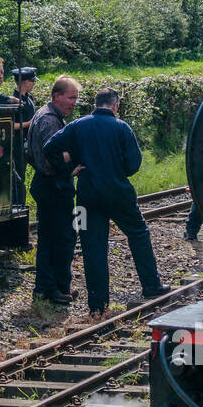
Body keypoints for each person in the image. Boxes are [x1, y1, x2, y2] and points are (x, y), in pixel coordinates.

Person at [44, 87, 166, 317]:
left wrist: (70, 167)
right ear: (115, 106)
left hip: (87, 194)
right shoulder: (121, 127)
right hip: (118, 192)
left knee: (93, 248)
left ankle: (97, 305)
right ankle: (151, 285)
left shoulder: (78, 125)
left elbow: (49, 147)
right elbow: (133, 164)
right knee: (138, 233)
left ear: (95, 104)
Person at [27, 75, 80, 307]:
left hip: (47, 184)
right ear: (57, 96)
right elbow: (54, 156)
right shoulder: (50, 120)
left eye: (76, 98)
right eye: (71, 97)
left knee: (50, 237)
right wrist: (72, 163)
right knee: (61, 237)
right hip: (54, 185)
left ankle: (51, 286)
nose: (74, 102)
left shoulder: (45, 114)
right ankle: (54, 288)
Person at [11, 67, 37, 205]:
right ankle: (18, 205)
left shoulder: (29, 97)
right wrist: (30, 123)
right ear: (25, 82)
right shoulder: (14, 100)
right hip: (18, 143)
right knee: (19, 177)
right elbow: (11, 124)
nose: (34, 84)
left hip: (29, 142)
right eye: (32, 81)